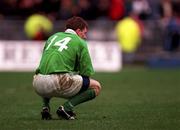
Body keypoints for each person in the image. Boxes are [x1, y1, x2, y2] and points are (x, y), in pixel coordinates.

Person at [32, 16, 101, 120]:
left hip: (37, 83)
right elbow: (86, 72)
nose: (85, 36)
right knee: (96, 86)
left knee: (47, 73)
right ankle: (66, 108)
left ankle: (45, 107)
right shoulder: (80, 42)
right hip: (58, 82)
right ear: (78, 31)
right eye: (84, 32)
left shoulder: (53, 37)